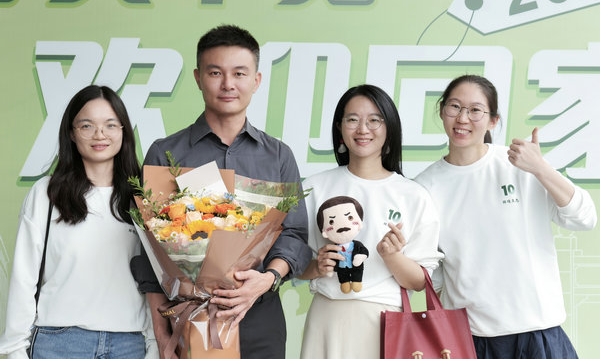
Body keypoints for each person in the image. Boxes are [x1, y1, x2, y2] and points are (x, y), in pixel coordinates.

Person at [131, 24, 311, 359]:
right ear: (198, 78)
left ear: (256, 80)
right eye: (215, 73)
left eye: (239, 73)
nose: (228, 84)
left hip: (260, 314)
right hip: (189, 317)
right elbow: (150, 251)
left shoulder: (277, 155)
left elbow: (296, 234)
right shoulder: (166, 153)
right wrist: (161, 330)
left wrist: (267, 279)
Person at [414, 74, 597, 358]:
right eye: (455, 106)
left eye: (475, 110)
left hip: (539, 333)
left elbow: (584, 217)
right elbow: (434, 275)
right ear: (442, 111)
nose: (463, 118)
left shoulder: (520, 165)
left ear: (493, 121)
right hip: (474, 339)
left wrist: (541, 168)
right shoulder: (425, 187)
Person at [0, 85, 157, 359]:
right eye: (87, 125)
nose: (100, 134)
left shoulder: (143, 196)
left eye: (110, 125)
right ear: (71, 133)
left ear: (123, 131)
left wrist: (154, 343)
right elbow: (24, 277)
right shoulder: (47, 193)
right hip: (59, 343)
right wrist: (14, 349)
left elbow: (154, 280)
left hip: (129, 344)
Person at [299, 84, 443, 358]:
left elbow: (419, 282)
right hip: (326, 317)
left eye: (374, 120)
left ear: (389, 129)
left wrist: (393, 257)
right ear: (340, 128)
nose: (363, 129)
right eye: (352, 119)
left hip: (385, 322)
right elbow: (292, 264)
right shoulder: (314, 188)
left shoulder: (412, 195)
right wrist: (316, 267)